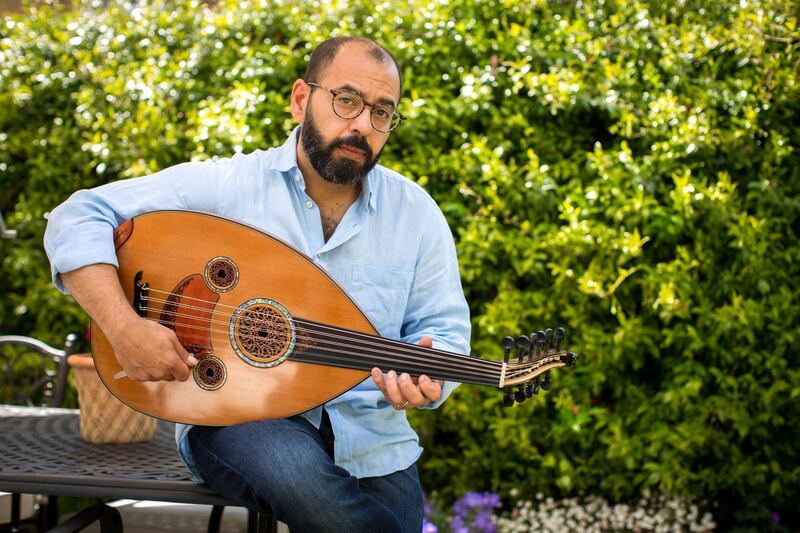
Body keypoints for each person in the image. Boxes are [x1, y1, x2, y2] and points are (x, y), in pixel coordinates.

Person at [44, 36, 470, 532]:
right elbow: (78, 215)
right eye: (347, 100)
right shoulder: (230, 187)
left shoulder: (416, 214)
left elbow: (443, 333)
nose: (362, 125)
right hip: (233, 414)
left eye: (382, 112)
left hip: (374, 438)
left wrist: (426, 379)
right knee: (303, 476)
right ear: (300, 99)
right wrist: (123, 327)